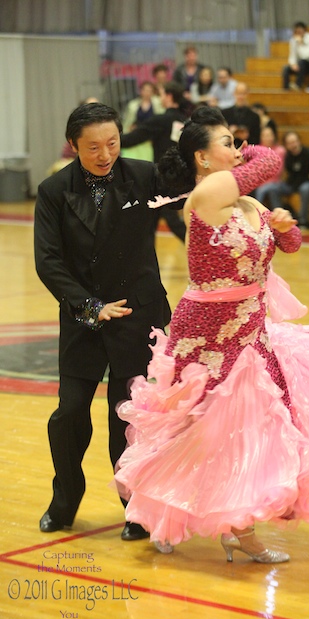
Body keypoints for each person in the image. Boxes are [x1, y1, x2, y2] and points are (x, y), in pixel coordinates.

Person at [113, 105, 309, 560]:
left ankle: (238, 530)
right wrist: (249, 147)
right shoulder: (208, 192)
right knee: (193, 429)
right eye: (227, 143)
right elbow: (270, 159)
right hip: (207, 333)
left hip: (250, 329)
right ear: (201, 158)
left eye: (238, 142)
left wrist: (282, 226)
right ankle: (167, 515)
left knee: (247, 431)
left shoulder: (246, 201)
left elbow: (291, 244)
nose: (238, 150)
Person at [34, 102, 172, 540]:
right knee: (70, 413)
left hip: (137, 313)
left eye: (112, 143)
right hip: (84, 317)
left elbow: (192, 196)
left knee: (127, 418)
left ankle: (135, 507)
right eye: (93, 146)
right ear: (73, 146)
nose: (104, 153)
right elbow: (48, 262)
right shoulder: (54, 190)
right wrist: (91, 306)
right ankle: (65, 497)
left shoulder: (145, 175)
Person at [120, 81, 188, 242]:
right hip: (177, 176)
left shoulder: (161, 120)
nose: (160, 98)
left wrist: (109, 141)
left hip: (162, 178)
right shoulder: (185, 121)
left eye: (162, 94)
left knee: (168, 220)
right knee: (150, 221)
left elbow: (132, 139)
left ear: (169, 96)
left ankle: (201, 252)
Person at [260, 132, 309, 228]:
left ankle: (303, 221)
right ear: (286, 145)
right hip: (292, 183)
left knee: (305, 189)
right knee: (273, 188)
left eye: (295, 142)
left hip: (306, 182)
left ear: (299, 141)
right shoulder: (287, 156)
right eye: (290, 143)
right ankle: (280, 218)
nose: (293, 145)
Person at [282, 22, 309, 91]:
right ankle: (285, 90)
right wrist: (293, 64)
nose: (298, 33)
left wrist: (300, 43)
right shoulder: (293, 40)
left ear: (305, 31)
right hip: (301, 66)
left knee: (302, 62)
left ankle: (298, 85)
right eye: (296, 32)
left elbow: (306, 56)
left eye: (300, 31)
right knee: (286, 68)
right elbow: (292, 55)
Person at [253, 126, 286, 205]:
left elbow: (277, 171)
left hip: (275, 182)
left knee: (266, 190)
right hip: (258, 182)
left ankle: (258, 213)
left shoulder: (280, 150)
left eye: (269, 135)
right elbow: (255, 169)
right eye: (265, 135)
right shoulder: (256, 150)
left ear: (273, 136)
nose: (267, 138)